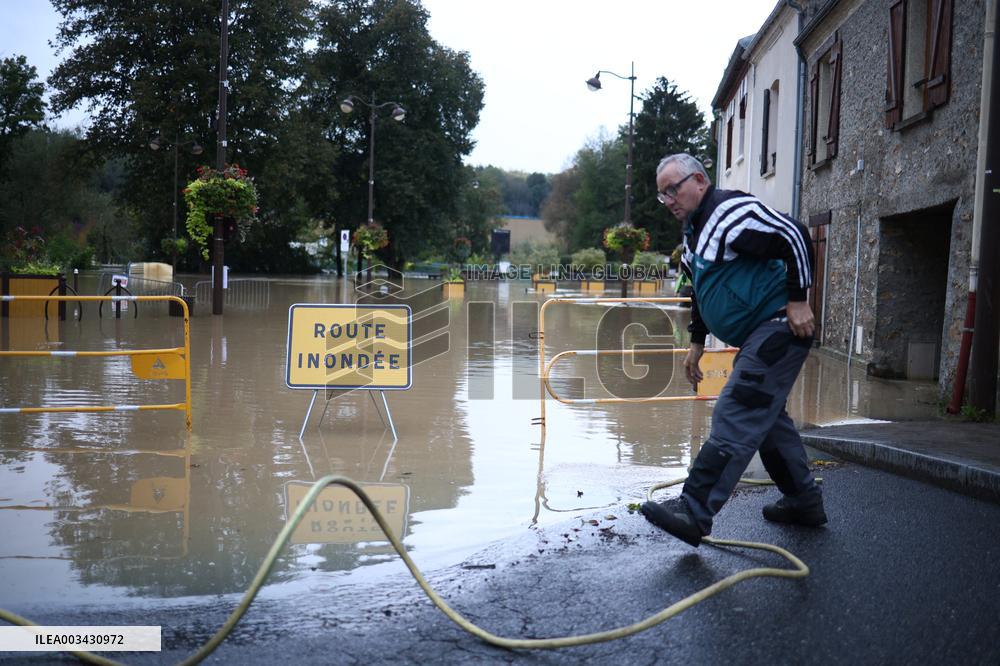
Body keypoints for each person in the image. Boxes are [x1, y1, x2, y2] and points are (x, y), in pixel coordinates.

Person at [640, 153, 826, 547]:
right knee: (766, 422)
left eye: (674, 189)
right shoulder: (693, 236)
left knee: (737, 408)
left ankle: (693, 510)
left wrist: (798, 299)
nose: (669, 199)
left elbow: (794, 234)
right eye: (663, 195)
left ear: (700, 182)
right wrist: (695, 345)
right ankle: (804, 503)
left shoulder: (729, 212)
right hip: (760, 332)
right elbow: (701, 294)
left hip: (780, 324)